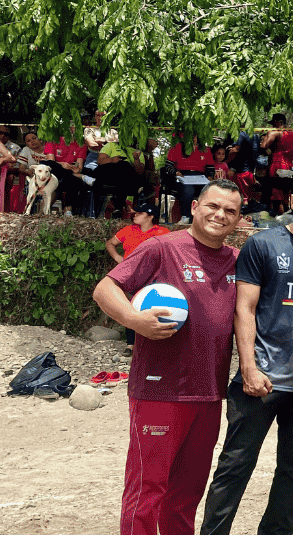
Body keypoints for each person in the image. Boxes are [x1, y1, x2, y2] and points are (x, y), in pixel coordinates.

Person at [91, 180, 243, 535]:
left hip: (209, 394)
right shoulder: (161, 248)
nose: (220, 215)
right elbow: (105, 288)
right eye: (213, 206)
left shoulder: (239, 260)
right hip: (159, 391)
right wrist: (132, 319)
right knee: (147, 491)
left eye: (230, 211)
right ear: (194, 208)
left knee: (186, 497)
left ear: (238, 220)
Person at [200, 173, 293, 535]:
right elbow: (244, 310)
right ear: (292, 201)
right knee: (235, 466)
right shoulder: (263, 245)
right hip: (261, 380)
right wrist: (248, 367)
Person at [104, 201, 168, 357]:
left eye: (139, 213)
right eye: (135, 213)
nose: (135, 215)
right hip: (131, 276)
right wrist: (117, 257)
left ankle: (152, 344)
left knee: (151, 308)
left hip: (153, 275)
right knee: (131, 307)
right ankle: (131, 345)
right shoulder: (128, 230)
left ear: (151, 216)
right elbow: (110, 243)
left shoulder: (162, 232)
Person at [167, 134, 214, 224]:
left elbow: (210, 168)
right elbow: (168, 166)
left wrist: (210, 177)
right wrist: (176, 173)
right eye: (191, 136)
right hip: (183, 176)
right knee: (188, 190)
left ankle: (206, 217)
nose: (194, 139)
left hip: (200, 177)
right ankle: (186, 216)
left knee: (209, 190)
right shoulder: (177, 147)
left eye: (196, 136)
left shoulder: (205, 149)